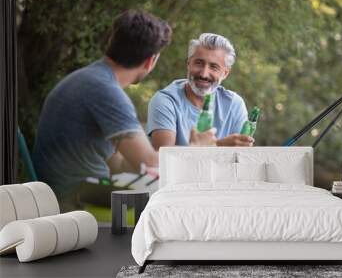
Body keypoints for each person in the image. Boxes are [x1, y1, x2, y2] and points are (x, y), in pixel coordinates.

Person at [32, 11, 216, 211]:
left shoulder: (88, 79)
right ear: (150, 61)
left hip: (67, 193)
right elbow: (150, 165)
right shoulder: (106, 92)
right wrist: (195, 150)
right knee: (181, 199)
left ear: (113, 42)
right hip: (76, 203)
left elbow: (118, 163)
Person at [147, 33, 254, 150]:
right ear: (188, 64)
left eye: (214, 67)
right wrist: (218, 146)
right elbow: (163, 159)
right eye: (199, 63)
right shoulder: (165, 101)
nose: (204, 74)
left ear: (225, 73)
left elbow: (241, 160)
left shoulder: (234, 104)